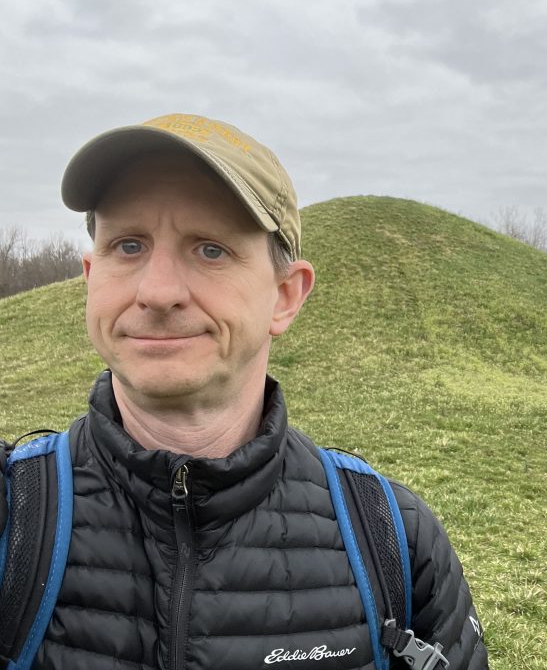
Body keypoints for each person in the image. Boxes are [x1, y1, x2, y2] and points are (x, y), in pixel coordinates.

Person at [3, 114, 488, 669]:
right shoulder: (10, 519)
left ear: (285, 296)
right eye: (129, 245)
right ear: (91, 277)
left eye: (210, 249)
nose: (158, 292)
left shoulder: (395, 541)